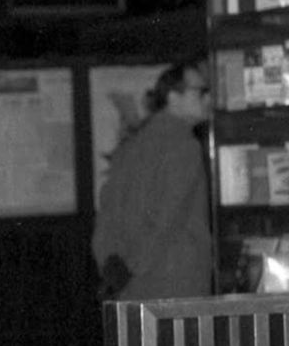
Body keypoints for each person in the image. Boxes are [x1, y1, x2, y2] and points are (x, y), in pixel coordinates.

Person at [91, 60, 215, 300]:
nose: (208, 99)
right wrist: (133, 264)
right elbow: (167, 217)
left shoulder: (131, 144)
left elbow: (107, 210)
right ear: (173, 97)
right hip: (177, 284)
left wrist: (113, 266)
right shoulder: (184, 147)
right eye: (201, 92)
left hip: (129, 286)